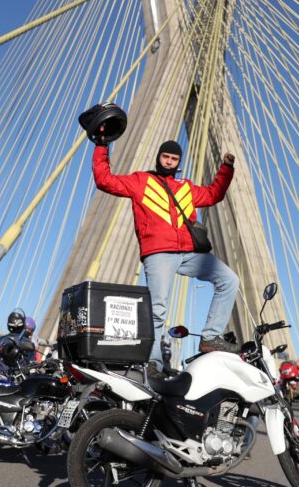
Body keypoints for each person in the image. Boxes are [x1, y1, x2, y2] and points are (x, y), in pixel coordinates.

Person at [91, 137, 237, 375]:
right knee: (157, 309)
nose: (169, 162)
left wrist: (226, 169)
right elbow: (104, 180)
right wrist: (102, 146)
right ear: (159, 157)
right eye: (166, 157)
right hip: (159, 253)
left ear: (179, 162)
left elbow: (213, 194)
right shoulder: (141, 181)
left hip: (189, 253)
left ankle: (210, 337)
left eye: (174, 159)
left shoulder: (186, 187)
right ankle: (154, 364)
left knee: (229, 280)